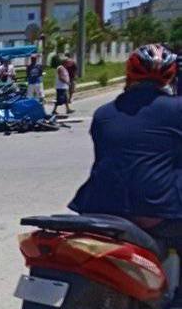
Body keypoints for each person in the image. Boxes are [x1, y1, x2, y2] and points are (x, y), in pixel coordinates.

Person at [69, 44, 182, 250]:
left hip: (98, 207)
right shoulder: (177, 109)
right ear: (170, 77)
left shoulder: (103, 114)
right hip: (156, 212)